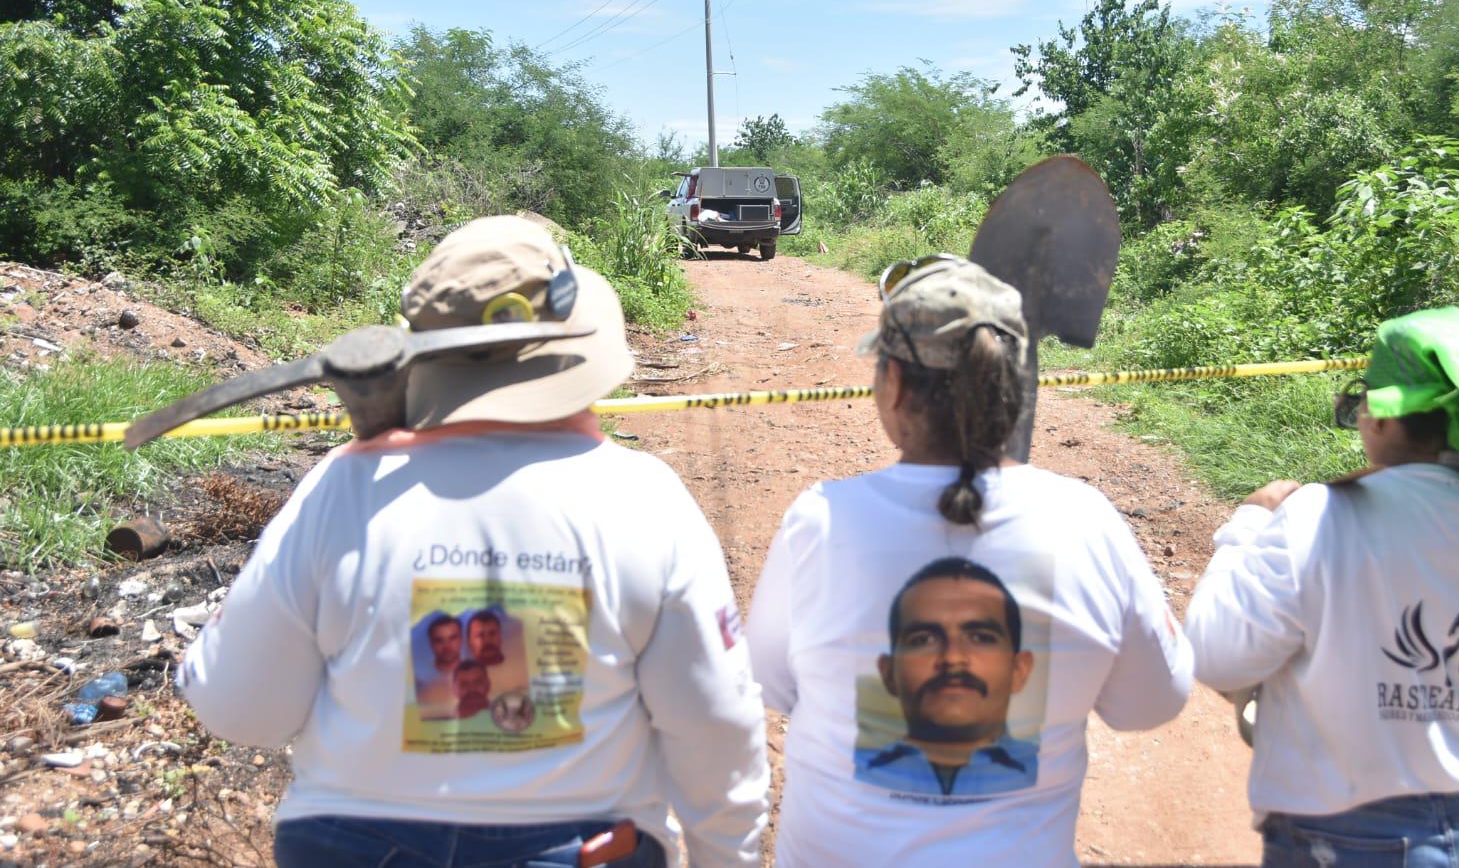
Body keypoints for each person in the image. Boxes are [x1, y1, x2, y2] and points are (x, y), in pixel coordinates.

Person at [178, 215, 769, 868]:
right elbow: (716, 727)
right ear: (578, 347)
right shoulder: (645, 499)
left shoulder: (341, 488)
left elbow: (237, 707)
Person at [747, 254, 1193, 867]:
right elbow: (1153, 701)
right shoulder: (1087, 522)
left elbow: (772, 683)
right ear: (1014, 390)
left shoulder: (818, 522)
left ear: (894, 386)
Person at [1184, 307, 1459, 868]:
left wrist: (1247, 526)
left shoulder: (1316, 518)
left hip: (1347, 836)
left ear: (1382, 417)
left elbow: (1214, 656)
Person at [856, 557, 1038, 796]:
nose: (952, 658)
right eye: (924, 639)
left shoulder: (1041, 768)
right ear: (888, 672)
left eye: (981, 637)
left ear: (1019, 670)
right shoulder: (860, 769)